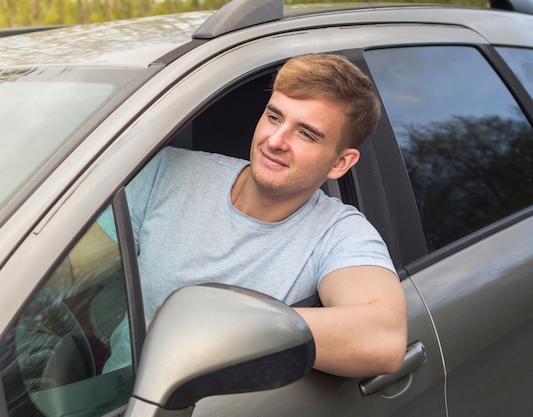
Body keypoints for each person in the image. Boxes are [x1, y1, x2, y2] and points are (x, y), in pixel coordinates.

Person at [99, 53, 407, 377]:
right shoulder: (167, 171)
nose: (275, 141)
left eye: (306, 133)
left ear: (340, 163)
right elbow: (72, 277)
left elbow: (383, 337)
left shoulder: (338, 233)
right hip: (108, 399)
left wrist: (227, 321)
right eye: (274, 117)